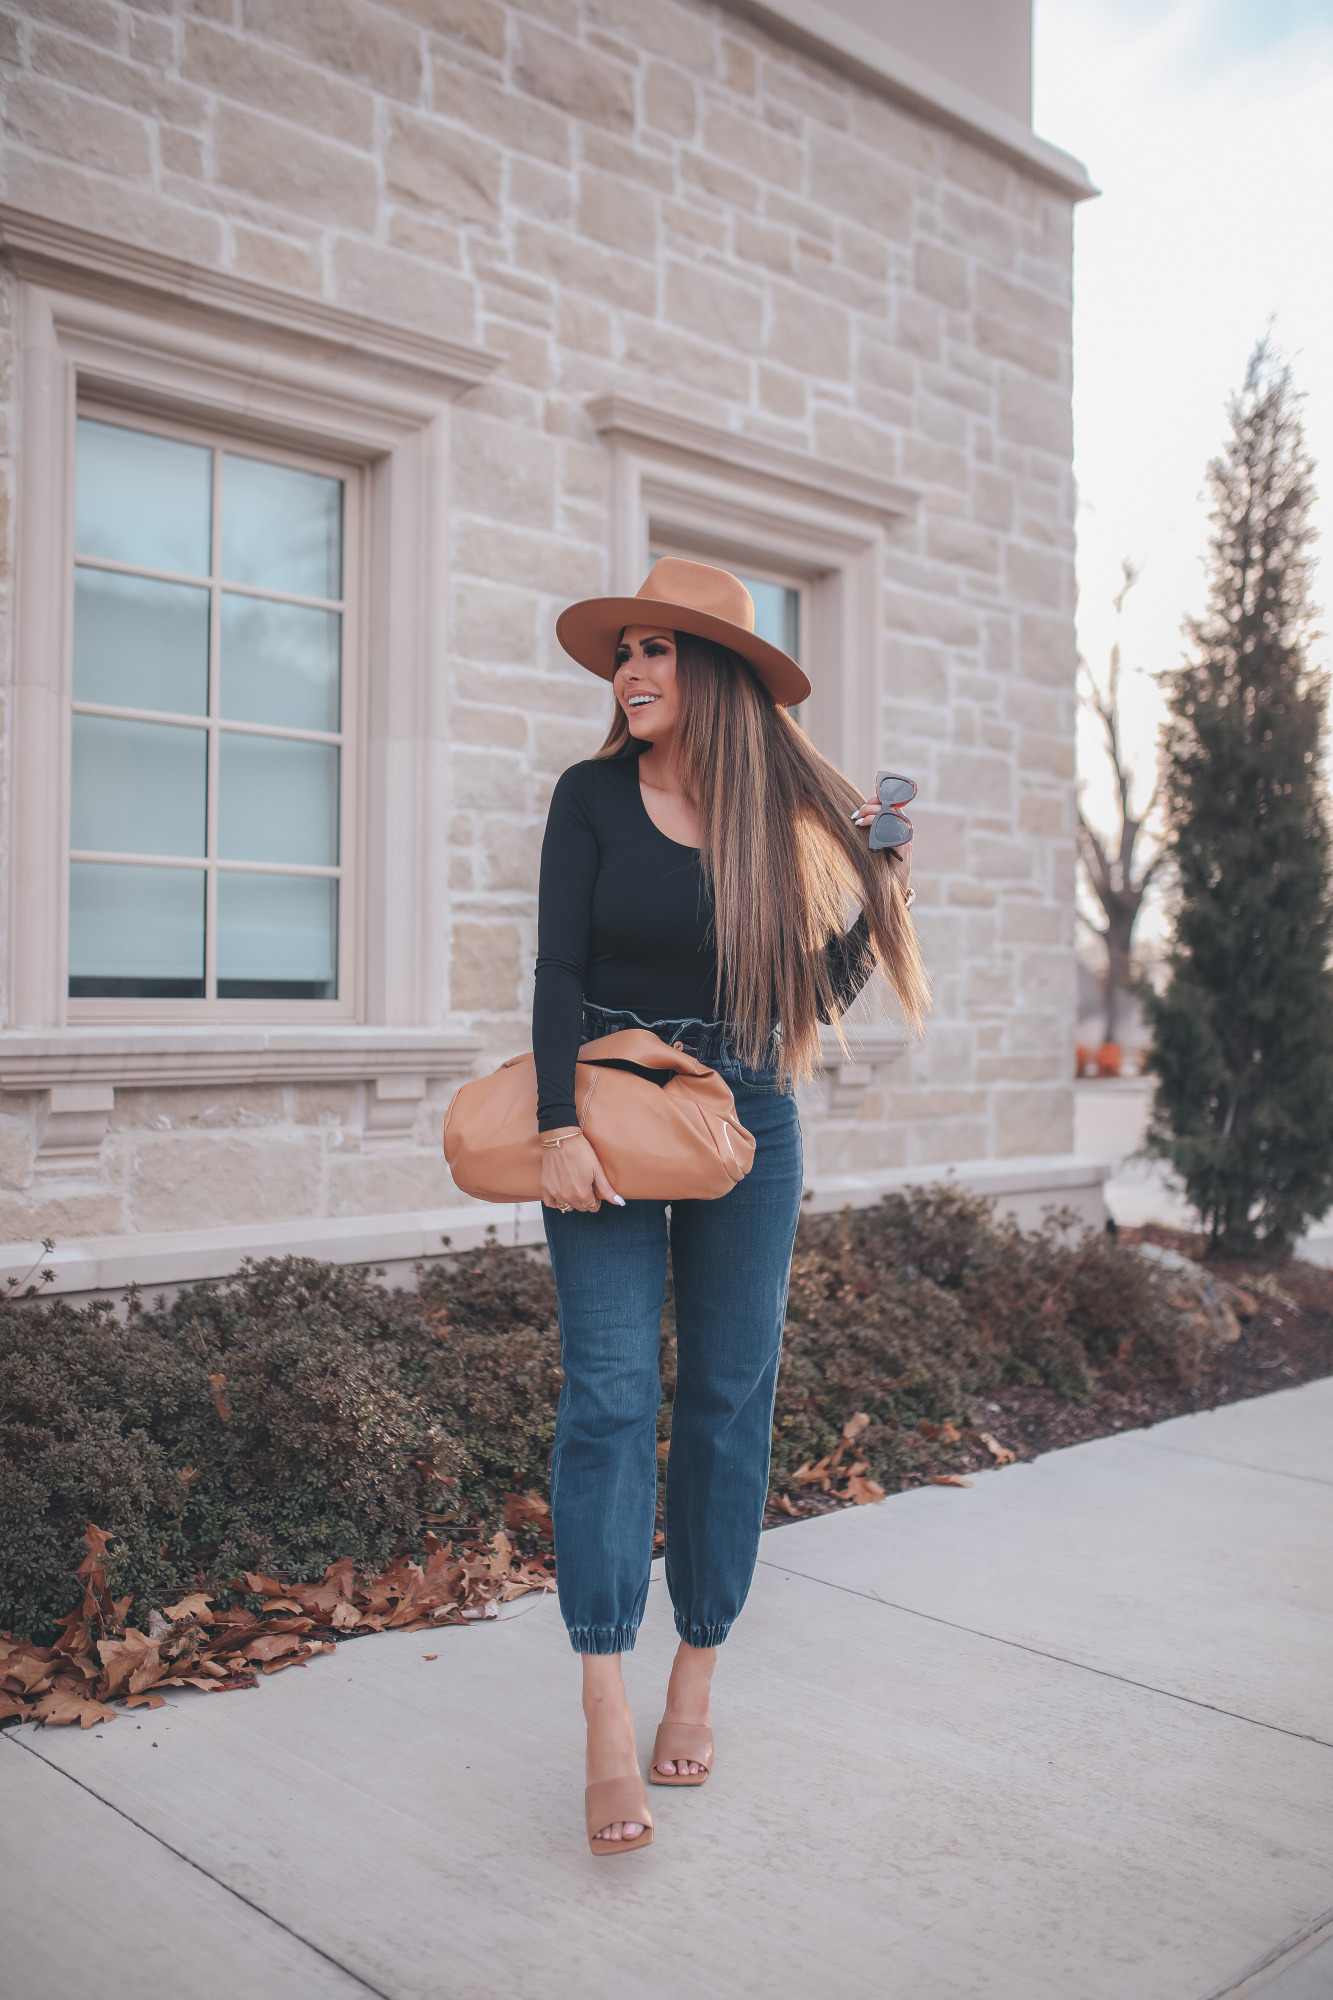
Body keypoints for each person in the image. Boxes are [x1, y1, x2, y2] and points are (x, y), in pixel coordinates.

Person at [535, 558, 927, 1857]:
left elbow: (802, 1006)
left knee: (725, 1394)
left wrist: (882, 893)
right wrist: (551, 1127)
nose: (630, 673)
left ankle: (694, 1669)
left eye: (656, 651)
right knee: (605, 1396)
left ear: (713, 676)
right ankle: (603, 1706)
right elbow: (557, 972)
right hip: (602, 1106)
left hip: (745, 1110)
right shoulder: (589, 798)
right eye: (622, 654)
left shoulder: (768, 823)